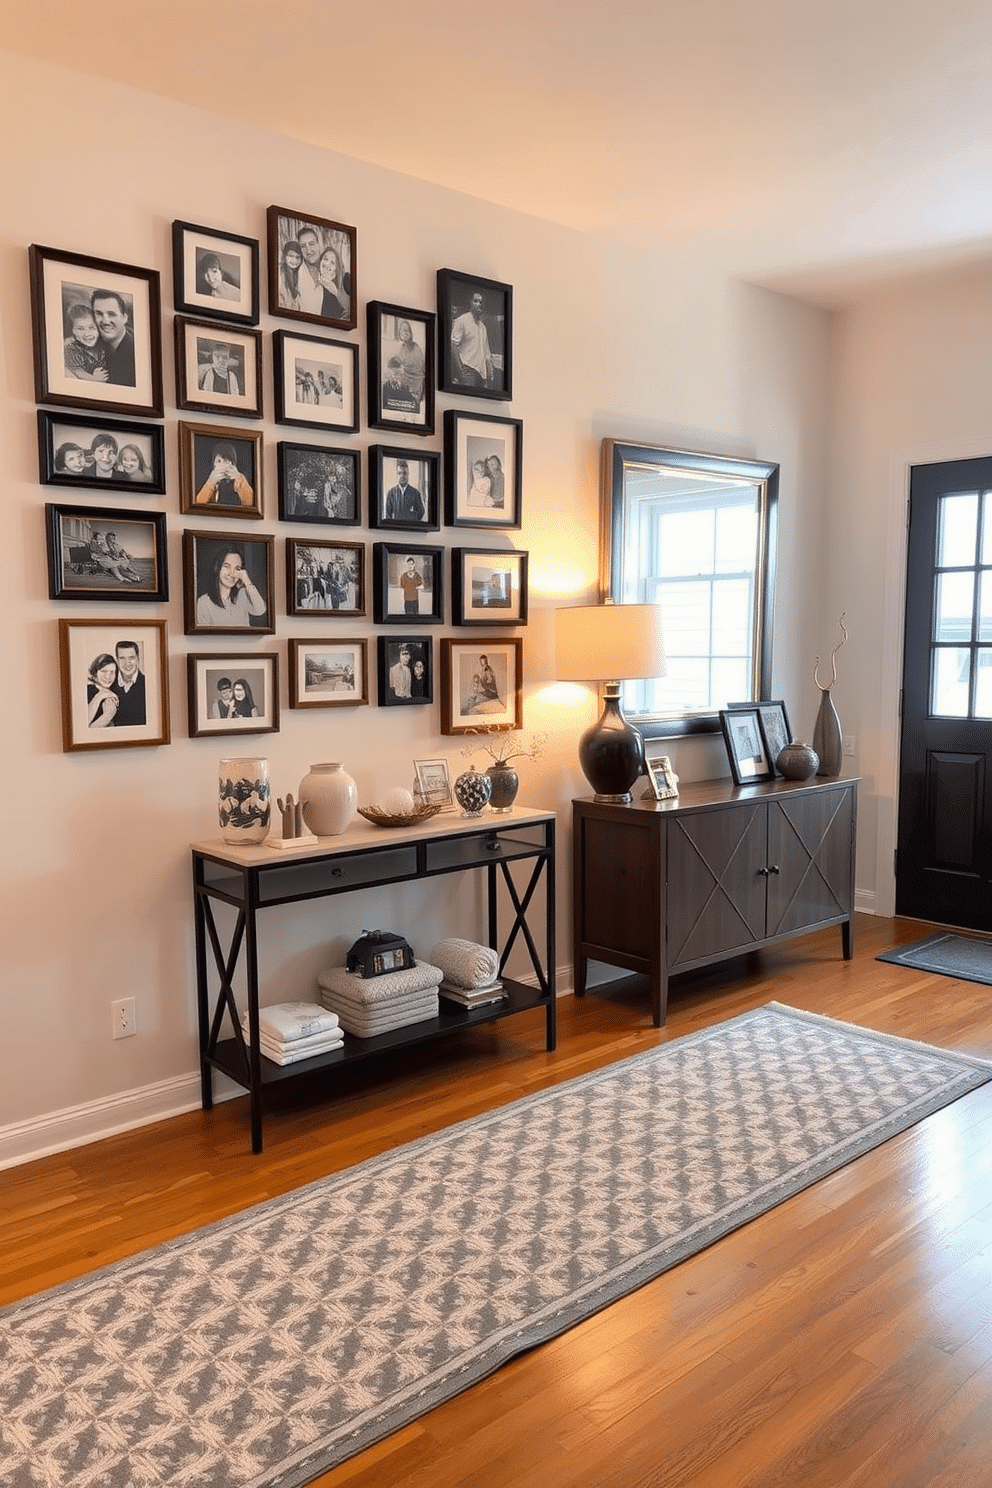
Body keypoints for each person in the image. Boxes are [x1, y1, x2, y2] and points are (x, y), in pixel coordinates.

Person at [195, 546, 267, 628]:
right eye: (227, 566)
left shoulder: (242, 595)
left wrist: (247, 582)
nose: (232, 574)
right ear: (217, 567)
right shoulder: (204, 603)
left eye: (237, 568)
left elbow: (260, 610)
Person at [90, 288, 136, 386]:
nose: (105, 321)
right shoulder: (88, 343)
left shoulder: (137, 350)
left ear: (124, 318)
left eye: (111, 314)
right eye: (98, 314)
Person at [449, 290, 493, 388]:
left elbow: (486, 353)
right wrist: (461, 369)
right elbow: (453, 345)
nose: (479, 304)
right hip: (468, 370)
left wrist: (489, 372)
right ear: (470, 302)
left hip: (482, 375)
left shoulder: (483, 327)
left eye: (481, 302)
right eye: (476, 301)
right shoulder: (461, 320)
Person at [194, 442, 254, 507]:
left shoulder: (239, 481)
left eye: (226, 461)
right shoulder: (209, 482)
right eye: (219, 461)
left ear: (232, 465)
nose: (223, 465)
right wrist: (211, 482)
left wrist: (239, 478)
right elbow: (198, 503)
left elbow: (250, 503)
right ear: (214, 465)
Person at [63, 304, 109, 382]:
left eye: (92, 328)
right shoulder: (70, 347)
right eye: (80, 329)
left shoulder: (104, 341)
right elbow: (78, 372)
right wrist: (94, 379)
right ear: (73, 331)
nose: (87, 334)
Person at [112, 639, 146, 726]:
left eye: (131, 658)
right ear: (117, 660)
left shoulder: (148, 685)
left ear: (138, 660)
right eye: (122, 658)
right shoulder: (109, 685)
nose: (127, 663)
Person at [295, 225, 325, 315]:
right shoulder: (295, 276)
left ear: (319, 244)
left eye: (312, 244)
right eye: (303, 246)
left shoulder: (330, 270)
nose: (308, 251)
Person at [395, 319, 425, 404]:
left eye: (406, 330)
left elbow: (420, 369)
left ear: (411, 333)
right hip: (405, 378)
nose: (404, 333)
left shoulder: (416, 347)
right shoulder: (402, 347)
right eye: (401, 330)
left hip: (416, 380)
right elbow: (398, 362)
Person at [317, 245, 349, 321]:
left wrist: (334, 291)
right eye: (325, 259)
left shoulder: (346, 279)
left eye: (332, 262)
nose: (327, 264)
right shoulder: (313, 283)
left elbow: (352, 307)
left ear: (336, 269)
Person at [87, 654, 119, 727]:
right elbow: (83, 727)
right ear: (95, 672)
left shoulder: (117, 693)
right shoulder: (87, 691)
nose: (108, 676)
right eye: (104, 671)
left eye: (112, 672)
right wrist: (106, 717)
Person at [278, 240, 303, 310]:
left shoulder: (299, 273)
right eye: (291, 256)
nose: (294, 260)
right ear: (285, 256)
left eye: (298, 257)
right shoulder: (280, 273)